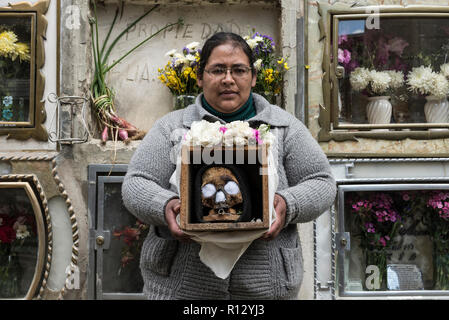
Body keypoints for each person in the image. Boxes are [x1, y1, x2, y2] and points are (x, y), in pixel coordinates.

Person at [122, 32, 336, 300]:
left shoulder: (284, 127)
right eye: (217, 70)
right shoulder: (172, 128)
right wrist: (166, 206)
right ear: (199, 77)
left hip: (266, 288)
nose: (228, 79)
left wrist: (287, 203)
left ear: (253, 77)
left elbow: (322, 182)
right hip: (182, 287)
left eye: (239, 70)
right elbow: (136, 183)